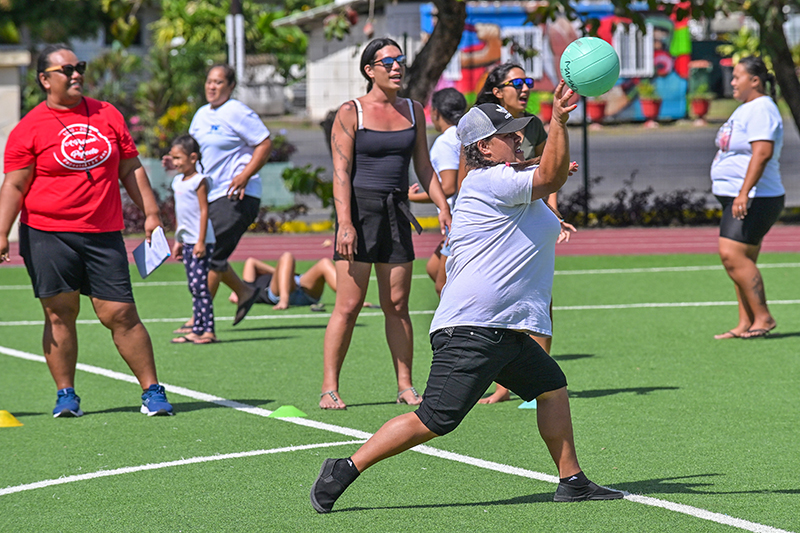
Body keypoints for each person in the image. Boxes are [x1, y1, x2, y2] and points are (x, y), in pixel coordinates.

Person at [310, 87, 624, 513]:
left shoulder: (505, 180)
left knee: (551, 388)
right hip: (475, 328)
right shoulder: (489, 180)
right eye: (507, 135)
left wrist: (543, 163)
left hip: (502, 328)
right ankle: (343, 469)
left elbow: (542, 181)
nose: (517, 139)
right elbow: (546, 179)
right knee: (435, 420)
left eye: (517, 135)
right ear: (482, 147)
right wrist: (560, 123)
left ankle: (572, 480)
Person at [0, 43, 173, 417]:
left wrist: (151, 212)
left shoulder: (107, 113)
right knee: (60, 314)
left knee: (121, 313)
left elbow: (130, 167)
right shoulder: (28, 128)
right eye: (66, 69)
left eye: (79, 66)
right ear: (46, 80)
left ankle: (153, 391)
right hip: (47, 233)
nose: (76, 73)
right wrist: (1, 232)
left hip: (102, 231)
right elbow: (14, 185)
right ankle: (66, 395)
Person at [320, 37, 452, 409]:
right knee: (348, 304)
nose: (397, 67)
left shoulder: (413, 110)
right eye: (388, 62)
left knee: (397, 303)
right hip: (359, 213)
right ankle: (330, 387)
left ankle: (405, 385)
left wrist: (442, 205)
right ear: (369, 70)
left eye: (400, 61)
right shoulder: (351, 112)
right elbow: (341, 172)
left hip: (396, 212)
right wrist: (345, 222)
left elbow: (423, 165)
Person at [473, 62, 577, 404]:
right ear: (497, 90)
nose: (525, 87)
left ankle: (532, 385)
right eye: (516, 82)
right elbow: (509, 173)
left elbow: (550, 168)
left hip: (527, 208)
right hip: (494, 218)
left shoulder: (532, 125)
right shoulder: (482, 122)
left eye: (527, 81)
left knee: (537, 298)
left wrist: (553, 210)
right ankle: (503, 378)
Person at [165, 64, 272, 332]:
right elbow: (194, 153)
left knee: (208, 256)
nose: (212, 87)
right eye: (209, 81)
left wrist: (245, 175)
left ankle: (199, 321)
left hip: (237, 195)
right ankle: (245, 292)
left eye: (219, 82)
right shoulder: (201, 114)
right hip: (210, 195)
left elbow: (265, 142)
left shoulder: (236, 112)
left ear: (231, 86)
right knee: (210, 254)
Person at [711, 56, 784, 340]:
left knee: (732, 255)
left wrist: (743, 192)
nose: (732, 81)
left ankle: (763, 317)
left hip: (756, 196)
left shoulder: (762, 109)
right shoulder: (748, 108)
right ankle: (746, 322)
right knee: (743, 258)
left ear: (755, 81)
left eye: (737, 76)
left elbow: (762, 152)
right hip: (740, 196)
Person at [408, 88, 467, 296]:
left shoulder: (445, 142)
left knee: (443, 286)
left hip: (460, 221)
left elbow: (449, 187)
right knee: (434, 268)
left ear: (435, 113)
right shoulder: (467, 133)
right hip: (470, 216)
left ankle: (463, 324)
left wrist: (411, 197)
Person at [169, 134, 217, 345]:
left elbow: (203, 211)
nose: (175, 162)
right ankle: (197, 328)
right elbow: (182, 215)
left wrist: (200, 241)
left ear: (193, 157)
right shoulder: (177, 181)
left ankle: (207, 330)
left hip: (201, 241)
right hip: (187, 240)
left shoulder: (200, 181)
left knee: (200, 286)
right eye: (174, 158)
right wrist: (179, 240)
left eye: (179, 158)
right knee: (194, 286)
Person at [229, 254, 336, 310]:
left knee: (324, 263)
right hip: (277, 292)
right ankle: (284, 301)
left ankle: (349, 297)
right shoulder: (249, 284)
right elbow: (250, 262)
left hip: (302, 286)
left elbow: (253, 262)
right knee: (287, 256)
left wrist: (285, 272)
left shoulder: (275, 273)